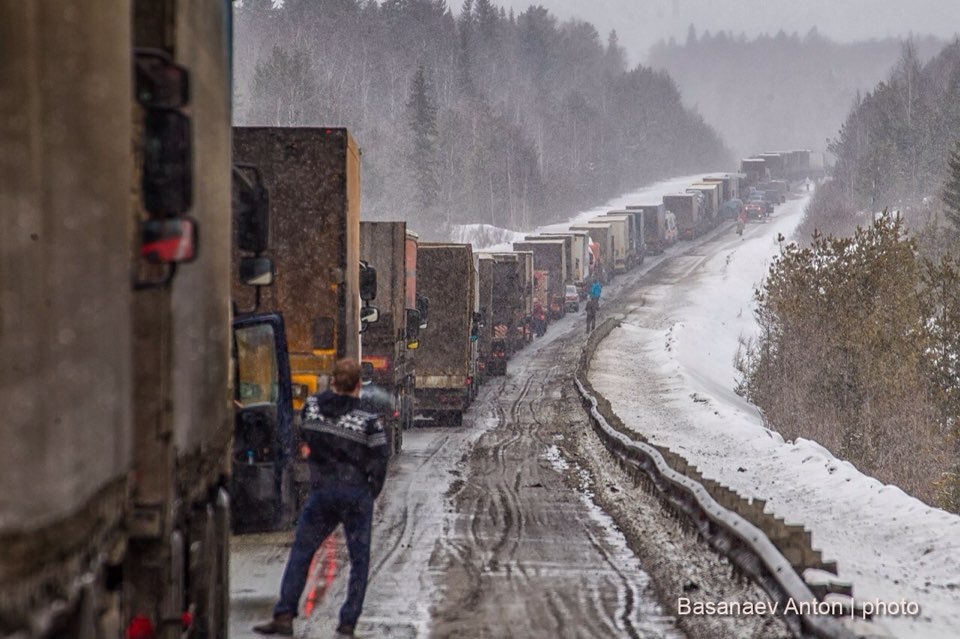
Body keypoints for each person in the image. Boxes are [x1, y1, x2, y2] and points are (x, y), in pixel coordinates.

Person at [254, 358, 390, 637]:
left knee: (302, 552)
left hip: (322, 492)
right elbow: (380, 459)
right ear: (357, 385)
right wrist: (369, 491)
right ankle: (347, 622)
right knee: (359, 561)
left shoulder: (313, 408)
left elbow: (299, 437)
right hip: (355, 494)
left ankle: (284, 615)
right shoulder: (368, 421)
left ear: (333, 381)